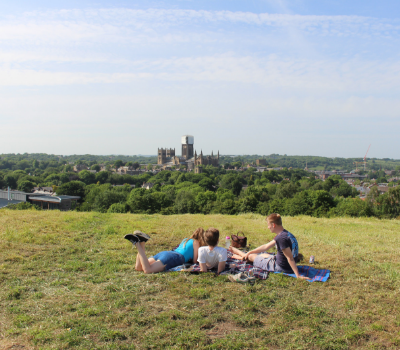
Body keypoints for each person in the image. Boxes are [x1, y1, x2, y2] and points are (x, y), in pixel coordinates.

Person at [229, 213, 310, 280]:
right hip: (282, 262)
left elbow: (290, 258)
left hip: (281, 267)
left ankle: (240, 254)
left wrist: (298, 275)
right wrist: (251, 250)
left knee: (252, 256)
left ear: (273, 225)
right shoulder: (286, 234)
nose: (268, 227)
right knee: (263, 254)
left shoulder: (281, 238)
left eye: (268, 225)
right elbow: (266, 246)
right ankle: (243, 254)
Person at [124, 228, 205, 274]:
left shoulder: (186, 239)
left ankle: (142, 242)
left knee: (138, 268)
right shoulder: (196, 242)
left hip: (166, 253)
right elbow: (195, 260)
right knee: (147, 270)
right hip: (174, 258)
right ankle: (137, 243)